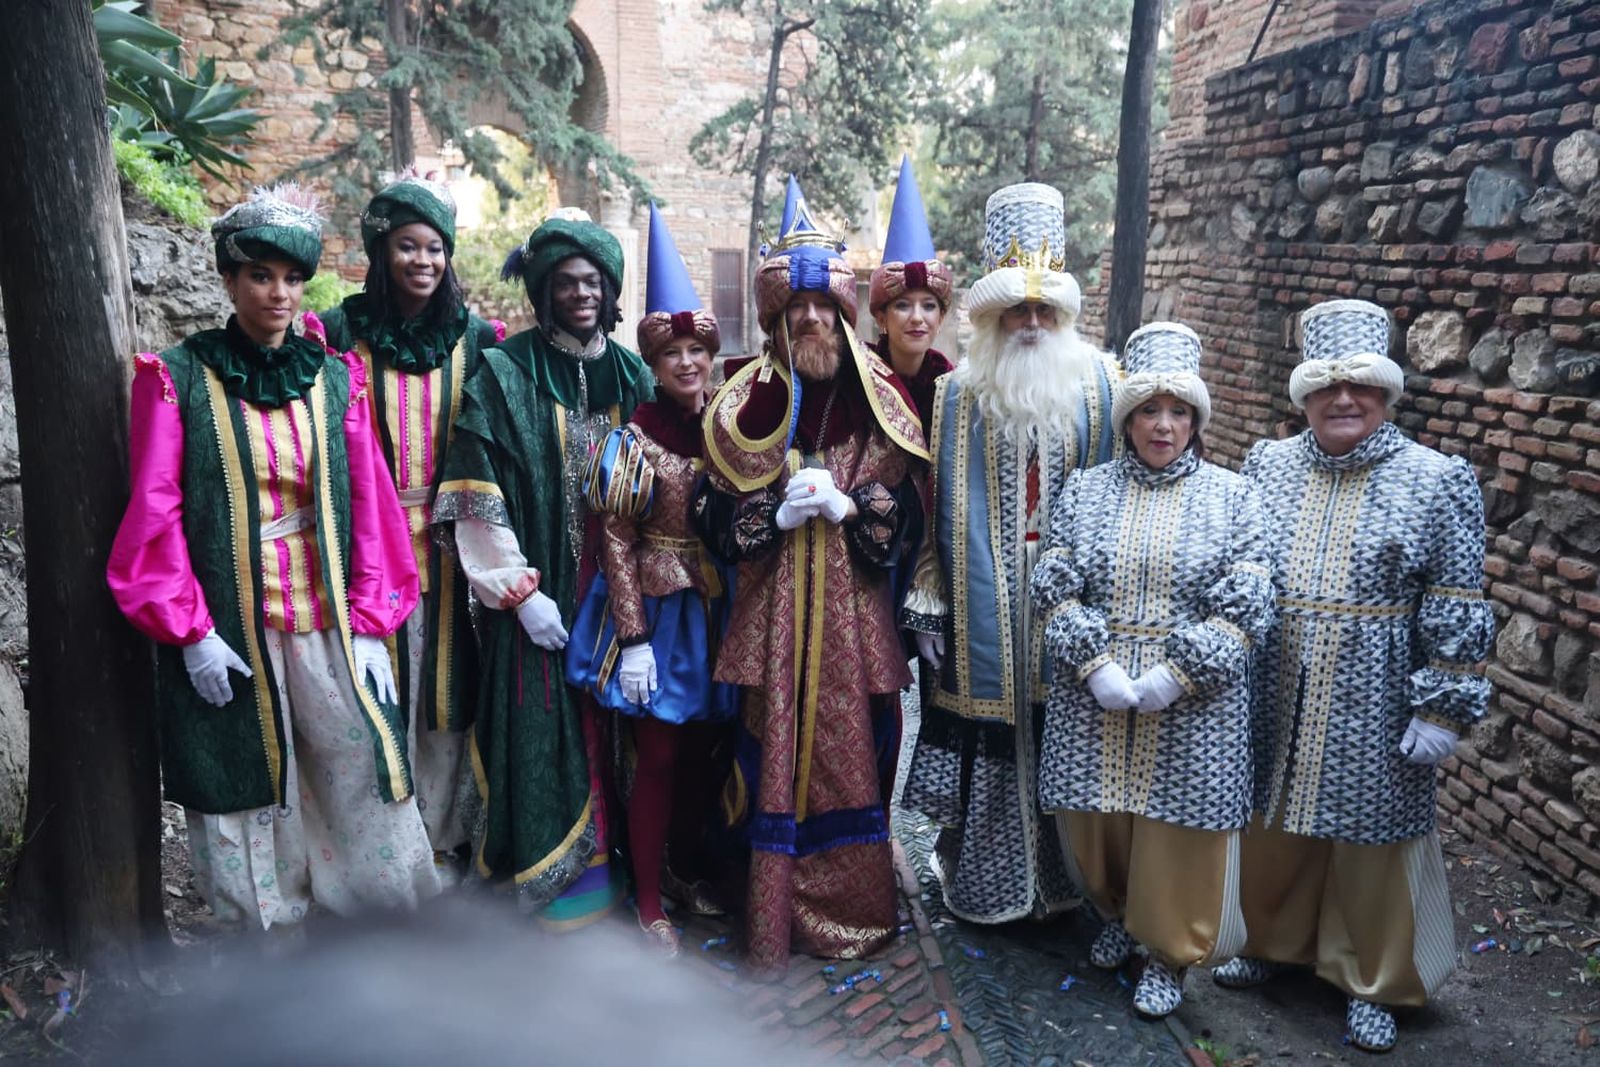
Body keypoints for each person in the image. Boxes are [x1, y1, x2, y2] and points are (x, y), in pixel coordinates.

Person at [107, 185, 435, 933]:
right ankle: (267, 935)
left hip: (323, 614)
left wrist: (370, 619)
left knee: (358, 755)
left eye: (292, 277)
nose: (278, 292)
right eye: (260, 275)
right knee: (252, 775)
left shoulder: (331, 377)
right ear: (228, 279)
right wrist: (188, 631)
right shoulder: (176, 379)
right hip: (230, 616)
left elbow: (369, 501)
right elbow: (155, 510)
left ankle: (374, 918)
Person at [1215, 299, 1494, 1053]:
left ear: (1387, 392)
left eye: (1361, 387)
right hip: (1278, 680)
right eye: (1327, 388)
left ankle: (1372, 978)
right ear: (1303, 395)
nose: (1343, 400)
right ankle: (1269, 942)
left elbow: (1456, 597)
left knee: (1373, 840)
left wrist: (1444, 702)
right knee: (1271, 822)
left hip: (1377, 688)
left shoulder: (1437, 480)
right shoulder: (1267, 465)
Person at [691, 178, 929, 972]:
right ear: (778, 322)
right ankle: (771, 908)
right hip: (772, 621)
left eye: (824, 312)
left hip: (853, 627)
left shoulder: (880, 399)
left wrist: (856, 505)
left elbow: (908, 504)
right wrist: (774, 518)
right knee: (761, 754)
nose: (813, 324)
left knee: (863, 746)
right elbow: (710, 509)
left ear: (843, 315)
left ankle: (850, 907)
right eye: (798, 316)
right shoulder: (745, 400)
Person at [1031, 321, 1273, 1018]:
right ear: (1127, 418)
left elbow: (1250, 596)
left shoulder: (1234, 496)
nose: (1162, 425)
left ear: (1196, 419)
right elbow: (1054, 576)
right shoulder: (1083, 490)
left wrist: (1180, 672)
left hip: (1193, 703)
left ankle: (1167, 952)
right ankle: (1117, 915)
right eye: (1147, 410)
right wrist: (1095, 663)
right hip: (1095, 694)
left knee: (1176, 831)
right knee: (1099, 821)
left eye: (1177, 411)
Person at [900, 182, 1121, 924]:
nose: (1030, 322)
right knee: (993, 732)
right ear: (991, 316)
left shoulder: (1100, 383)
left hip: (1071, 602)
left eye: (1043, 310)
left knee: (1063, 724)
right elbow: (937, 505)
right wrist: (929, 594)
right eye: (1015, 311)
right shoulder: (958, 394)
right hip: (981, 595)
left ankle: (1071, 881)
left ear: (1061, 314)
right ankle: (989, 881)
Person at [432, 209, 653, 926]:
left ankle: (623, 871)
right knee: (539, 727)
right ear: (543, 289)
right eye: (566, 283)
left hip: (618, 594)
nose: (582, 294)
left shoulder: (631, 373)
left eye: (593, 282)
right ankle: (547, 882)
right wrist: (518, 591)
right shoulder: (503, 372)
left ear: (610, 290)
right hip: (538, 597)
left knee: (618, 732)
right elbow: (475, 487)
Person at [306, 172, 505, 880]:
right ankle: (384, 849)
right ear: (381, 251)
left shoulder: (478, 338)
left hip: (452, 545)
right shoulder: (336, 332)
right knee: (378, 692)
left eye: (434, 248)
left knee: (447, 693)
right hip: (368, 546)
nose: (423, 261)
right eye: (407, 247)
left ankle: (444, 837)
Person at [566, 205, 736, 955]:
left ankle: (682, 871)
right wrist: (631, 637)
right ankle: (644, 900)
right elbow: (615, 536)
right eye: (675, 355)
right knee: (659, 755)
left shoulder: (732, 429)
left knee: (707, 752)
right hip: (658, 621)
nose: (689, 364)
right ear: (655, 363)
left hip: (717, 610)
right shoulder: (632, 437)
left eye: (699, 350)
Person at [869, 154, 954, 432]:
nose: (917, 318)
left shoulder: (954, 391)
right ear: (881, 317)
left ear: (941, 318)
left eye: (929, 306)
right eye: (903, 305)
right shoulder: (856, 381)